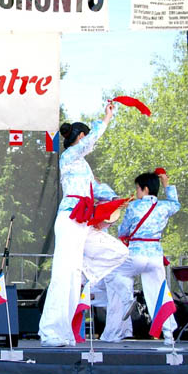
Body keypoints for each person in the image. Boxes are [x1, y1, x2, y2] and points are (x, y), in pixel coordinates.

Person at [38, 103, 129, 347]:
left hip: (83, 222)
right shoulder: (68, 156)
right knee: (63, 277)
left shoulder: (84, 167)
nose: (90, 143)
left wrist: (119, 200)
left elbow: (98, 190)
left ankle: (80, 274)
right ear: (80, 137)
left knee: (118, 252)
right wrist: (106, 119)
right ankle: (50, 332)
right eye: (86, 138)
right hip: (70, 219)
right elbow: (88, 144)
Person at [102, 170, 180, 344]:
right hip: (156, 257)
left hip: (136, 254)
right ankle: (169, 334)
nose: (136, 192)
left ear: (145, 189)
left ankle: (127, 300)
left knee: (111, 272)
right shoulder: (164, 207)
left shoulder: (134, 206)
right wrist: (166, 184)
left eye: (137, 188)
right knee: (160, 293)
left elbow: (123, 230)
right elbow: (176, 204)